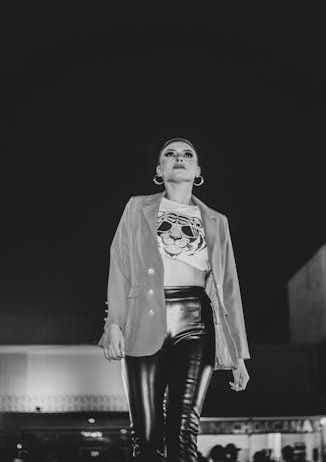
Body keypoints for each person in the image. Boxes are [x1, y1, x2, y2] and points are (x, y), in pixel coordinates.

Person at [98, 138, 251, 461]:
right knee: (147, 437)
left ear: (197, 171)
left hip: (196, 323)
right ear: (159, 170)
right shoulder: (136, 208)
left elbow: (228, 288)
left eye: (187, 154)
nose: (178, 158)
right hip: (143, 320)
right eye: (170, 154)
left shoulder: (216, 221)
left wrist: (238, 355)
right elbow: (120, 266)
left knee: (184, 432)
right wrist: (114, 324)